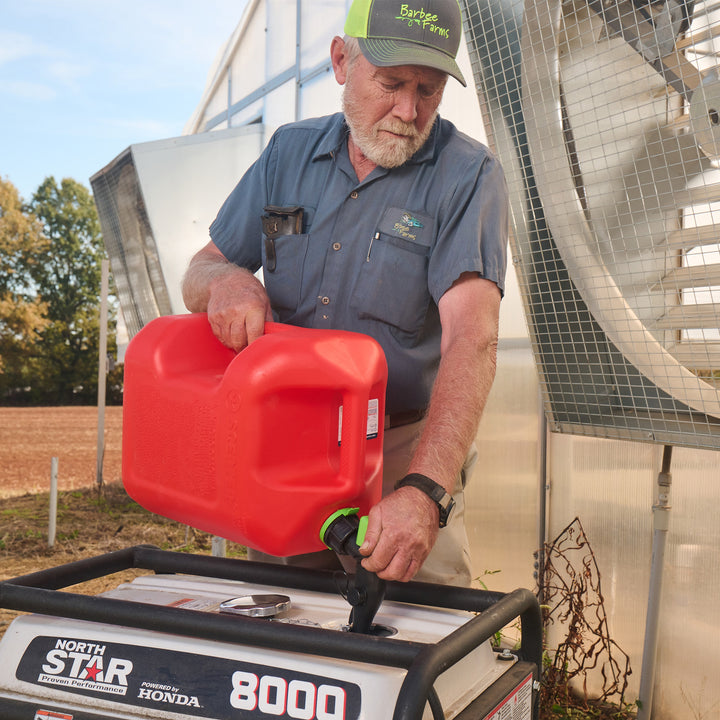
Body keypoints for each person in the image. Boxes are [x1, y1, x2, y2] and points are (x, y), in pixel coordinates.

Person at [182, 0, 508, 587]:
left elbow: (473, 339)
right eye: (391, 84)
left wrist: (425, 492)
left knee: (416, 640)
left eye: (428, 90)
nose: (408, 111)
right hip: (288, 446)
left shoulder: (469, 175)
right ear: (340, 60)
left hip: (400, 451)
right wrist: (227, 281)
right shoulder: (288, 153)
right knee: (283, 628)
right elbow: (201, 271)